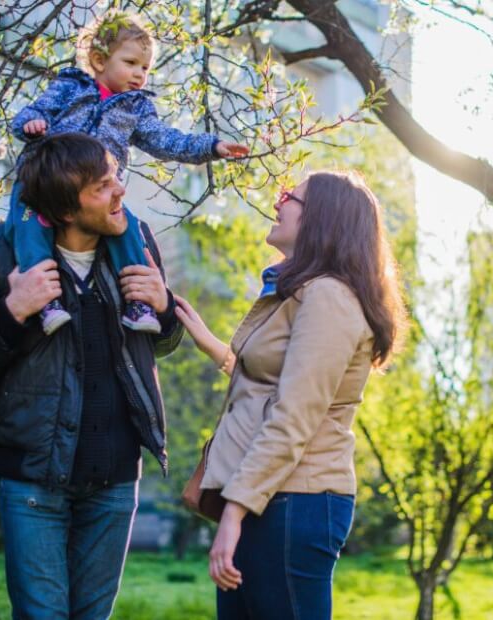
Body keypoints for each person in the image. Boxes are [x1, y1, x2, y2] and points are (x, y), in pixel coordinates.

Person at [0, 133, 182, 619]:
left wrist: (166, 307)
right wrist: (14, 311)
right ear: (67, 210)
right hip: (34, 480)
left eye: (116, 176)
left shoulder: (136, 243)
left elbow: (158, 342)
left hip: (115, 480)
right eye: (102, 186)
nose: (120, 192)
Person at [174, 171, 406, 619]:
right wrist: (212, 344)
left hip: (294, 501)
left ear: (320, 218)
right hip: (272, 496)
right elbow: (271, 381)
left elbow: (294, 415)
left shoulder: (329, 298)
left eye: (289, 197)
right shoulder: (305, 294)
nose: (277, 202)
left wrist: (233, 515)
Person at [9, 9, 248, 335]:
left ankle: (138, 304)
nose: (139, 74)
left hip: (98, 191)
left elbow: (167, 140)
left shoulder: (134, 107)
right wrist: (31, 125)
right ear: (98, 59)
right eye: (131, 63)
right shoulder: (69, 86)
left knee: (127, 229)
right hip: (46, 180)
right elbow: (32, 112)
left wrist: (211, 146)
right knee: (28, 227)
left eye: (145, 67)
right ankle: (46, 300)